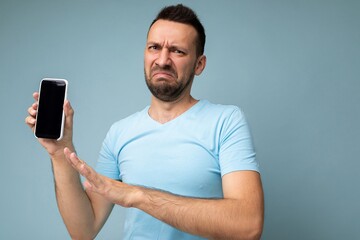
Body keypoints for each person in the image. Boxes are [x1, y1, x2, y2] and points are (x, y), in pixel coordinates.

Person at [26, 4, 264, 240]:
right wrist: (59, 154)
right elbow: (83, 230)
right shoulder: (120, 132)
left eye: (177, 51)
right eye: (154, 47)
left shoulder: (226, 121)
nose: (162, 60)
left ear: (199, 64)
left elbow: (248, 225)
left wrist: (138, 195)